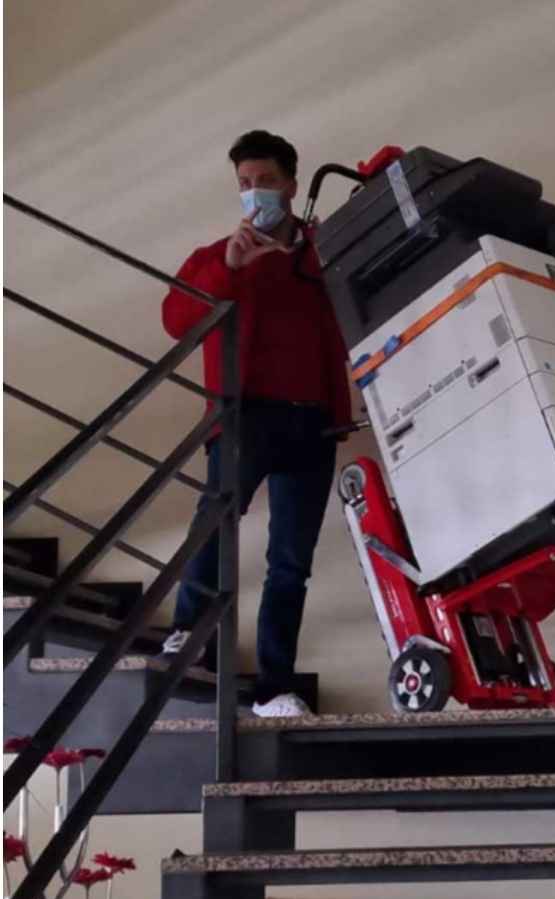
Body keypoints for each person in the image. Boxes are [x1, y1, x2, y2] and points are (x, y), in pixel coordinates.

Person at [160, 129, 350, 718]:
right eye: (244, 185)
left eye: (265, 182)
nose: (254, 194)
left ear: (292, 185)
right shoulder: (216, 256)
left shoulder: (327, 254)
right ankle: (188, 632)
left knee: (291, 562)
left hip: (313, 423)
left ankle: (275, 686)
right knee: (216, 524)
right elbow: (176, 320)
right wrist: (232, 268)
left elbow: (354, 323)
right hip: (243, 417)